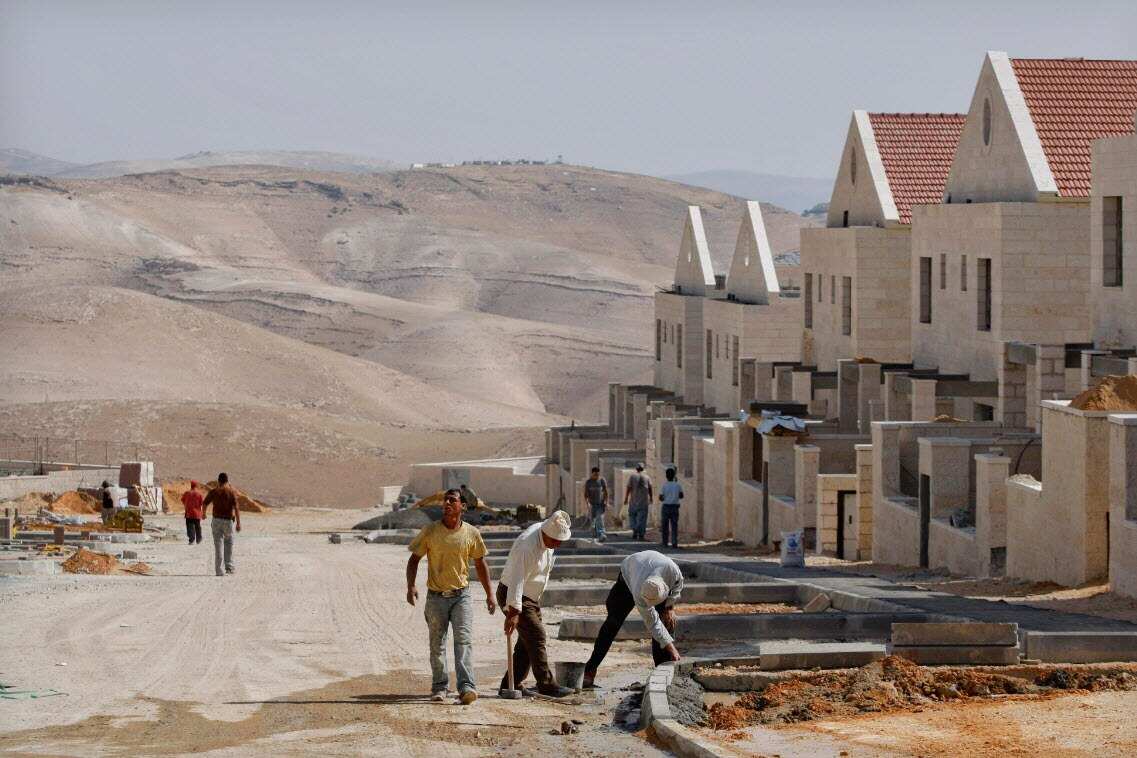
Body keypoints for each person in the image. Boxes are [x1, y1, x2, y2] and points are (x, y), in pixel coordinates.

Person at [407, 489, 496, 705]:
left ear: (462, 506)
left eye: (452, 500)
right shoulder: (430, 531)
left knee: (463, 641)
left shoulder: (471, 533)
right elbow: (414, 559)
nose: (447, 503)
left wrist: (490, 594)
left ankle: (467, 687)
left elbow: (480, 564)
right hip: (436, 597)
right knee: (437, 644)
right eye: (445, 500)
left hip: (461, 597)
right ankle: (440, 687)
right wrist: (411, 586)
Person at [496, 511, 576, 698]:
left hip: (529, 596)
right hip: (514, 594)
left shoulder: (549, 534)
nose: (557, 545)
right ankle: (546, 684)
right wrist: (513, 612)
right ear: (546, 534)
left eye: (560, 541)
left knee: (528, 641)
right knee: (537, 635)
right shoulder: (527, 546)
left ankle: (510, 684)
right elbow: (516, 580)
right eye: (555, 541)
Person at [582, 550, 683, 688]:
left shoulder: (673, 572)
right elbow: (653, 623)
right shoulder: (638, 591)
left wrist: (669, 606)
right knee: (613, 623)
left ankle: (662, 673)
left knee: (666, 620)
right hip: (628, 576)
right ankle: (590, 670)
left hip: (650, 571)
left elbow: (677, 588)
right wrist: (672, 648)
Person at [202, 473, 241, 576]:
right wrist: (238, 523)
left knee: (218, 545)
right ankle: (229, 567)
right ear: (227, 481)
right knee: (228, 543)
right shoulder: (231, 492)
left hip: (216, 521)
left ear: (218, 481)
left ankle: (219, 570)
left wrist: (203, 514)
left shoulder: (214, 492)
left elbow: (205, 503)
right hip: (228, 521)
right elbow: (236, 508)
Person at [624, 464, 653, 541]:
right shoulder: (647, 477)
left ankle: (635, 530)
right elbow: (650, 488)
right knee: (642, 519)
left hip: (633, 501)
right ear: (643, 469)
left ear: (636, 469)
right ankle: (641, 534)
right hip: (643, 502)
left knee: (632, 516)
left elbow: (628, 488)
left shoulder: (632, 476)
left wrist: (626, 498)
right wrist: (651, 497)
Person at [659, 467, 684, 549]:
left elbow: (661, 497)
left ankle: (665, 542)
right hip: (675, 507)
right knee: (674, 525)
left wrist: (666, 497)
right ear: (674, 476)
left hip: (666, 506)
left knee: (665, 525)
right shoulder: (678, 485)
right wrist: (675, 496)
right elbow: (681, 496)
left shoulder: (664, 485)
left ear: (666, 476)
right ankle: (674, 542)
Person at [583, 467, 608, 542]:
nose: (596, 476)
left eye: (597, 474)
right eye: (595, 474)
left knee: (599, 518)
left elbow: (606, 491)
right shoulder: (589, 482)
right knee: (593, 521)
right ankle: (595, 533)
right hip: (592, 504)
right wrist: (587, 503)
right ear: (592, 474)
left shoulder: (602, 480)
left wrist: (606, 502)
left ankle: (601, 534)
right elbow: (586, 494)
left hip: (600, 504)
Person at [181, 481, 204, 545]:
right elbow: (202, 503)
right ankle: (199, 539)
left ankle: (191, 540)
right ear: (196, 486)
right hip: (197, 513)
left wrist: (186, 505)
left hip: (189, 513)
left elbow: (182, 500)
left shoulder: (187, 493)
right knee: (197, 526)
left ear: (191, 485)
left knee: (189, 527)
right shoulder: (199, 494)